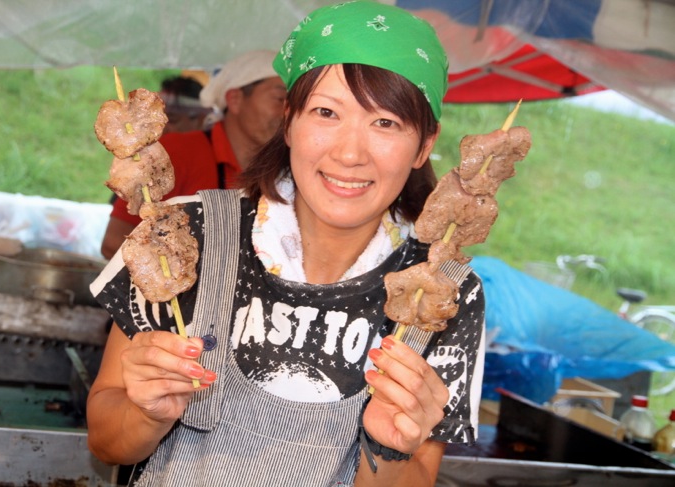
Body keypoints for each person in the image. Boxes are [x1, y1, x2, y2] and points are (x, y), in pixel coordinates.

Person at [87, 2, 485, 486]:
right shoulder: (182, 232)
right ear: (289, 120)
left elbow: (416, 475)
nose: (350, 153)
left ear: (424, 144)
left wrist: (390, 448)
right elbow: (105, 441)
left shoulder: (443, 292)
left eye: (386, 123)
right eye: (326, 112)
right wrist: (145, 415)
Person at [100, 49, 287, 259]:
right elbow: (115, 242)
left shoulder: (288, 172)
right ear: (234, 99)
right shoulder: (174, 154)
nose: (289, 112)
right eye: (280, 99)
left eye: (296, 104)